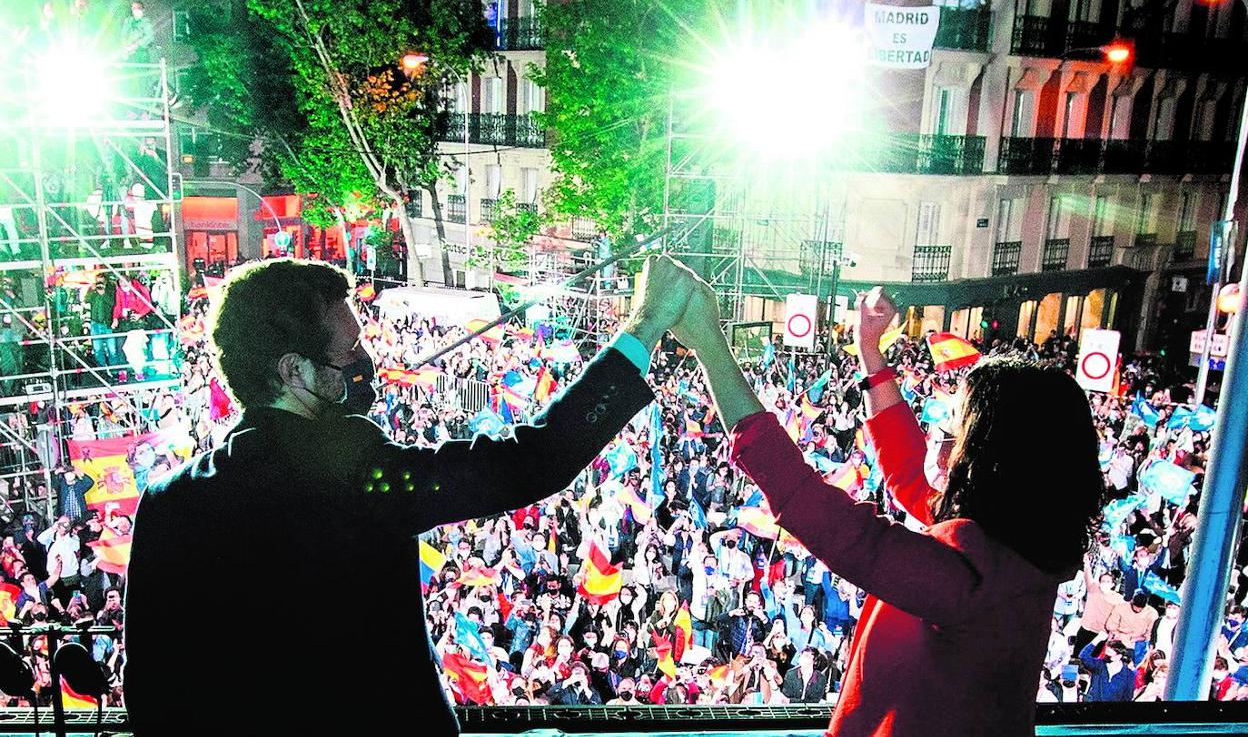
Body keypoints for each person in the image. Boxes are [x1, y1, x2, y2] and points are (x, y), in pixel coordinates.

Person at [124, 256, 693, 735]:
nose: (366, 364)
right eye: (349, 353)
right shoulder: (358, 478)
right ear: (294, 372)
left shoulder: (168, 504)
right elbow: (530, 461)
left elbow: (150, 699)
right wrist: (643, 327)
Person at [668, 268, 1104, 737]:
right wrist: (870, 353)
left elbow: (809, 502)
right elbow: (910, 473)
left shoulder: (968, 579)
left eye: (954, 427)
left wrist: (711, 347)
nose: (937, 436)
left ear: (990, 456)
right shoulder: (1017, 545)